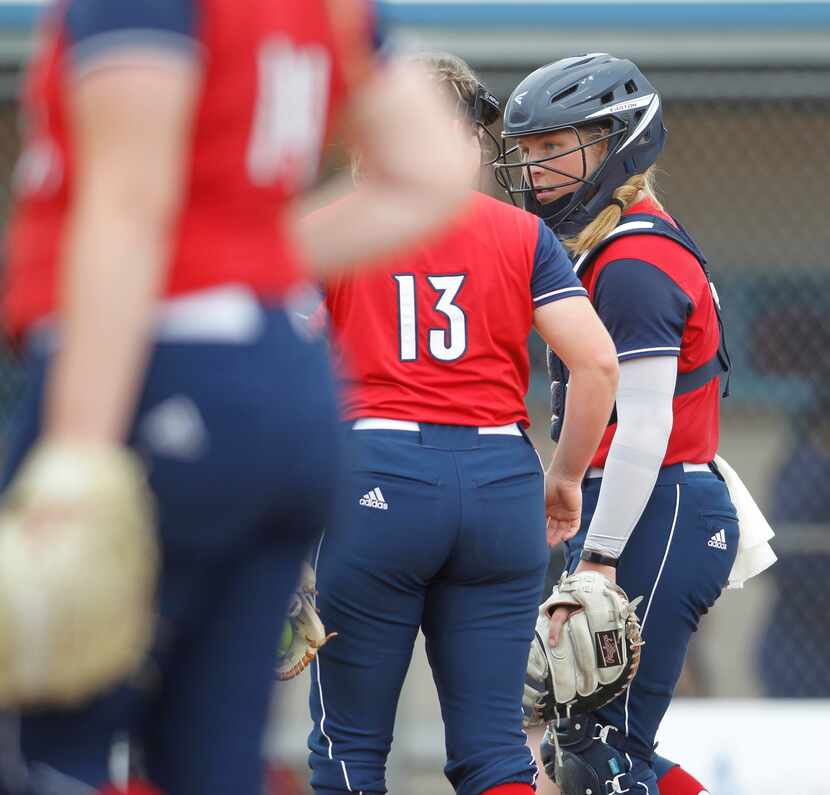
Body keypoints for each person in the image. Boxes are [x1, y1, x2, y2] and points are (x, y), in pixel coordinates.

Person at [0, 2, 471, 793]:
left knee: (44, 741)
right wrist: (244, 254)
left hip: (154, 369)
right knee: (209, 759)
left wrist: (78, 456)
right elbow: (437, 168)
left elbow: (130, 200)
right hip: (283, 385)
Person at [307, 52, 619, 795]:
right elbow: (598, 364)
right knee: (493, 753)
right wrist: (565, 475)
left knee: (349, 747)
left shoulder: (331, 229)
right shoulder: (519, 232)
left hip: (375, 472)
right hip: (500, 480)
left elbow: (275, 374)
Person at [496, 53, 735, 795]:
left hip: (654, 502)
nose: (536, 168)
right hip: (641, 501)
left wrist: (598, 556)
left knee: (604, 751)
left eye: (555, 145)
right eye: (528, 150)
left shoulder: (633, 255)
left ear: (617, 142)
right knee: (591, 747)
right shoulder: (611, 242)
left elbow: (643, 426)